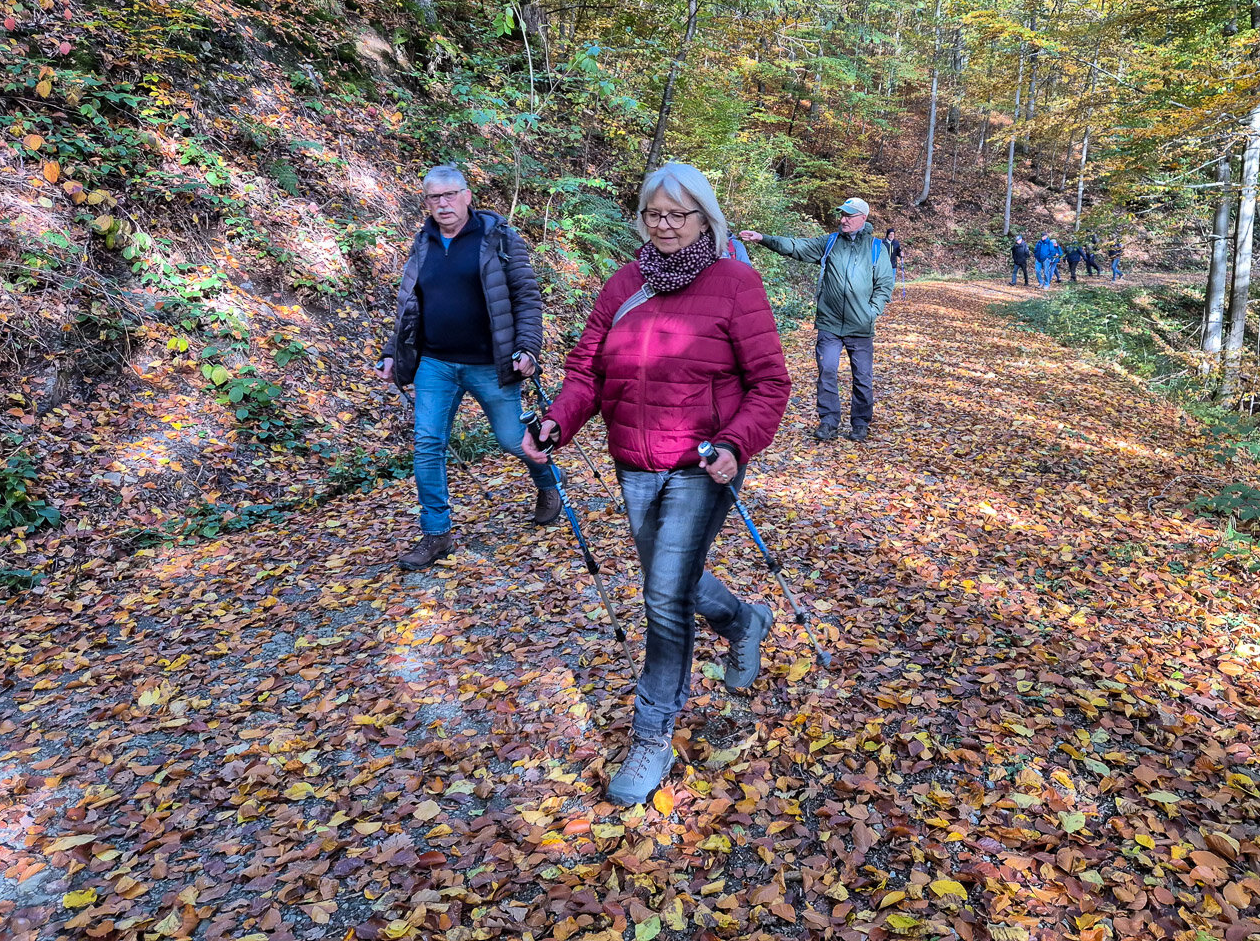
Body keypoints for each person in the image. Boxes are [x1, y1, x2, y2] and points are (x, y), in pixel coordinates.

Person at [524, 163, 791, 806]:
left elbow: (770, 384)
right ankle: (745, 621)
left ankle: (651, 735)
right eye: (654, 214)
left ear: (705, 217)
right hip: (634, 460)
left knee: (663, 596)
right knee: (674, 581)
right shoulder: (624, 283)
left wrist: (735, 443)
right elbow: (586, 371)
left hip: (703, 462)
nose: (665, 225)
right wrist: (559, 420)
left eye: (679, 214)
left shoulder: (735, 283)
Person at [378, 166, 560, 571]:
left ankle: (548, 483)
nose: (442, 204)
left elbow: (526, 297)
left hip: (489, 363)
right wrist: (392, 351)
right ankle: (436, 533)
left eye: (450, 195)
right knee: (428, 443)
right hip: (435, 363)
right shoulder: (423, 242)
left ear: (467, 195)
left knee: (513, 440)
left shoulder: (499, 238)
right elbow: (410, 305)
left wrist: (528, 347)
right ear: (426, 202)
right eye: (434, 197)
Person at [738, 196, 894, 442]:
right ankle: (829, 422)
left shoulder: (876, 248)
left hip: (861, 326)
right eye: (842, 214)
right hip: (829, 324)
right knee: (827, 372)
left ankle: (860, 423)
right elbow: (796, 246)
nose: (843, 220)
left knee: (862, 377)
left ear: (863, 218)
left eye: (849, 215)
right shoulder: (830, 242)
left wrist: (871, 311)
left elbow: (884, 284)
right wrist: (763, 238)